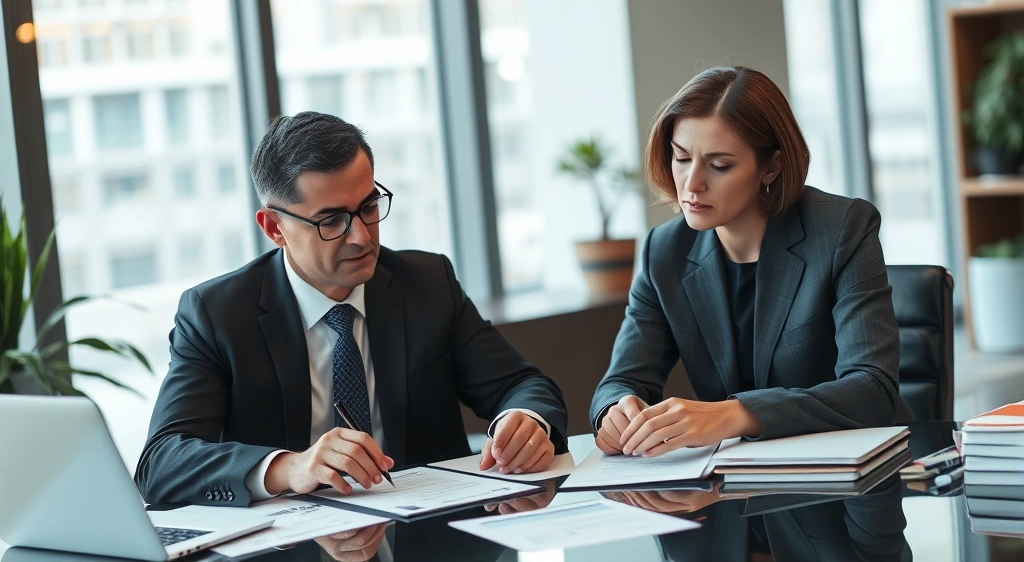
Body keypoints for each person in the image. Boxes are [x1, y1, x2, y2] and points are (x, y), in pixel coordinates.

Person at [135, 112, 568, 506]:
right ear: (274, 228)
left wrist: (523, 421)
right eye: (330, 221)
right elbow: (161, 464)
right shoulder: (217, 315)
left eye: (368, 207)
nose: (361, 236)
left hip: (429, 539)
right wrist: (290, 468)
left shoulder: (427, 283)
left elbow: (523, 385)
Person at [590, 66, 912, 459]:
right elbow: (621, 380)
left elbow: (872, 390)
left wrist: (737, 414)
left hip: (848, 481)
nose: (691, 184)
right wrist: (616, 409)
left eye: (719, 165)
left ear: (771, 166)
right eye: (681, 158)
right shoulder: (665, 250)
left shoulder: (841, 229)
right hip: (733, 485)